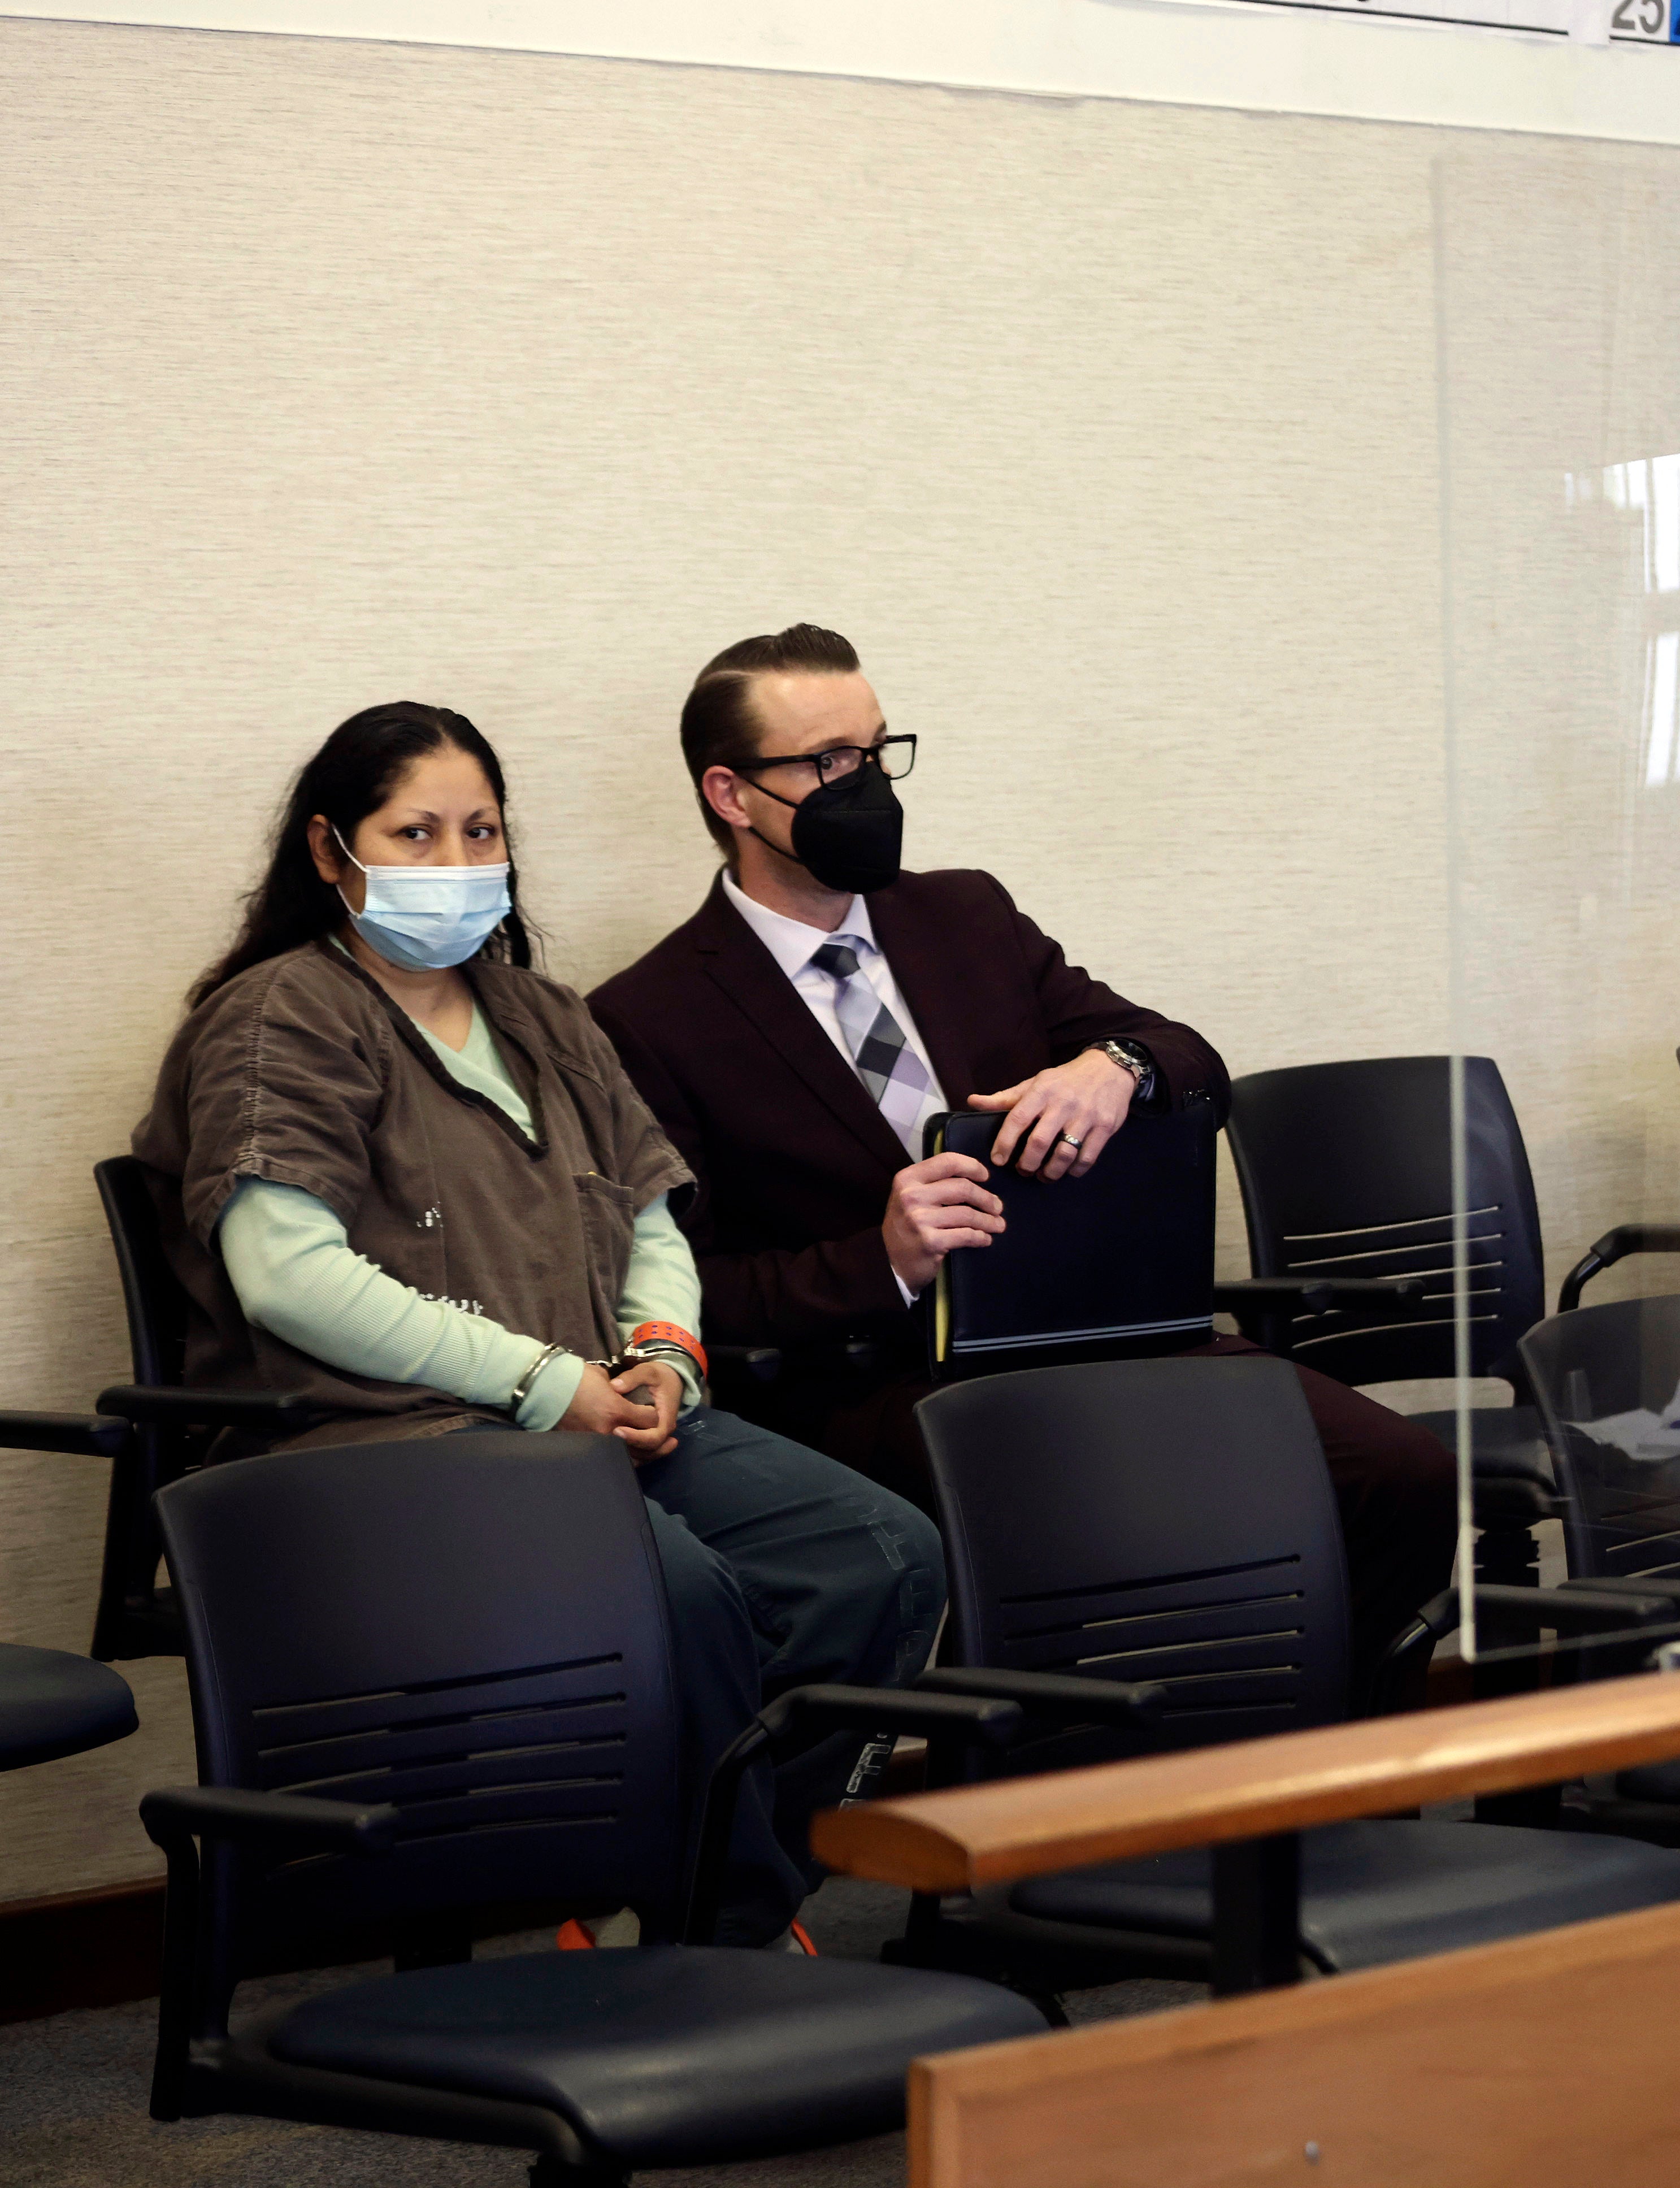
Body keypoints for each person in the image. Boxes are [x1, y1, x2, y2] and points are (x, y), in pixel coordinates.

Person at [131, 702, 942, 1948]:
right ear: (330, 852)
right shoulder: (279, 1016)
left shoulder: (548, 1017)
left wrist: (665, 1352)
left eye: (481, 830)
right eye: (414, 832)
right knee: (689, 1594)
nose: (456, 863)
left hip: (589, 1419)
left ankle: (687, 1880)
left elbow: (652, 1214)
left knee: (882, 1558)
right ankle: (714, 1928)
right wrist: (542, 1382)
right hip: (377, 1444)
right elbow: (288, 1277)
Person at [587, 625, 1456, 1695]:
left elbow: (1193, 1062)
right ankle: (1081, 1799)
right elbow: (691, 1296)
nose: (865, 786)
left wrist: (1115, 1066)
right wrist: (888, 1257)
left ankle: (1272, 1748)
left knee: (1406, 1476)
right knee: (1098, 1503)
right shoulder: (648, 1015)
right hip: (887, 1381)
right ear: (731, 794)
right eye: (828, 764)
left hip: (1094, 1331)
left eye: (876, 751)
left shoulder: (966, 914)